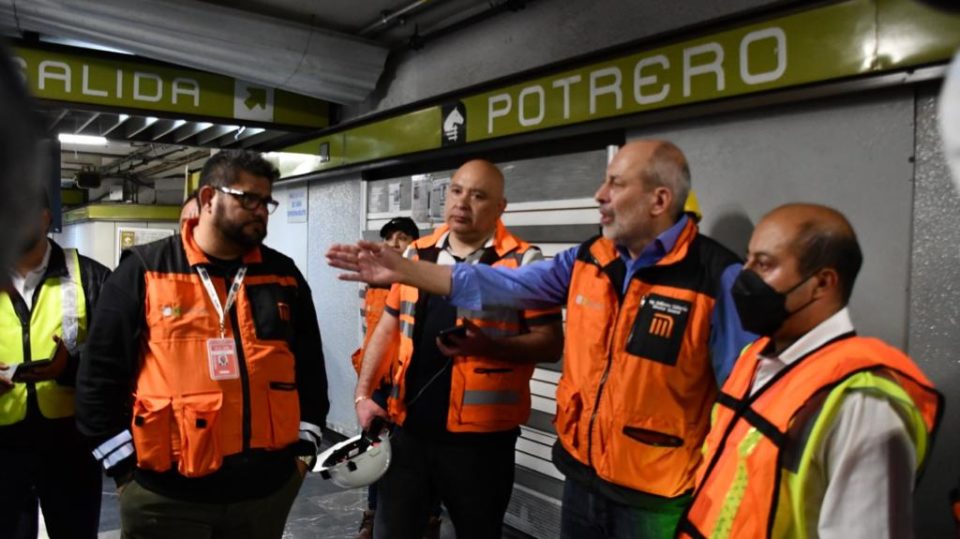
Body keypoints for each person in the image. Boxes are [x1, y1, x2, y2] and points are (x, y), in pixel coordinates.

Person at [327, 140, 755, 538]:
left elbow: (742, 407)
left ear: (659, 200)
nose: (600, 195)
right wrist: (405, 270)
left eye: (616, 184)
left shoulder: (718, 278)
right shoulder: (590, 258)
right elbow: (503, 285)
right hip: (581, 476)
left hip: (656, 496)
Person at [75, 150, 329, 539]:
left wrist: (303, 453)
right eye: (249, 199)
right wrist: (125, 471)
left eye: (267, 201)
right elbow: (98, 378)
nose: (261, 210)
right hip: (165, 496)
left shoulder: (283, 275)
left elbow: (310, 369)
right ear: (208, 198)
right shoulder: (144, 270)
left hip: (265, 493)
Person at [676, 203, 942, 538]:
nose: (743, 277)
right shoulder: (755, 358)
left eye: (764, 264)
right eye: (748, 259)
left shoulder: (862, 403)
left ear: (822, 283)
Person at [349, 159, 564, 539]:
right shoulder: (418, 253)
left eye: (479, 196)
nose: (463, 202)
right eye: (457, 190)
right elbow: (387, 326)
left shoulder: (522, 261)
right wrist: (364, 394)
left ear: (500, 208)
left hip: (481, 445)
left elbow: (550, 344)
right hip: (408, 432)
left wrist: (489, 346)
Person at [0, 188, 110, 539]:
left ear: (47, 215)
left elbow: (119, 363)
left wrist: (70, 368)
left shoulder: (93, 278)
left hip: (70, 448)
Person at [348, 216, 441, 539]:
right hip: (378, 387)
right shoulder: (373, 283)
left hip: (411, 386)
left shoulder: (426, 283)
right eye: (389, 238)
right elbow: (372, 334)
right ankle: (373, 514)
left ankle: (430, 517)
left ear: (415, 245)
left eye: (402, 237)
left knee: (421, 456)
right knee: (376, 454)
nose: (394, 243)